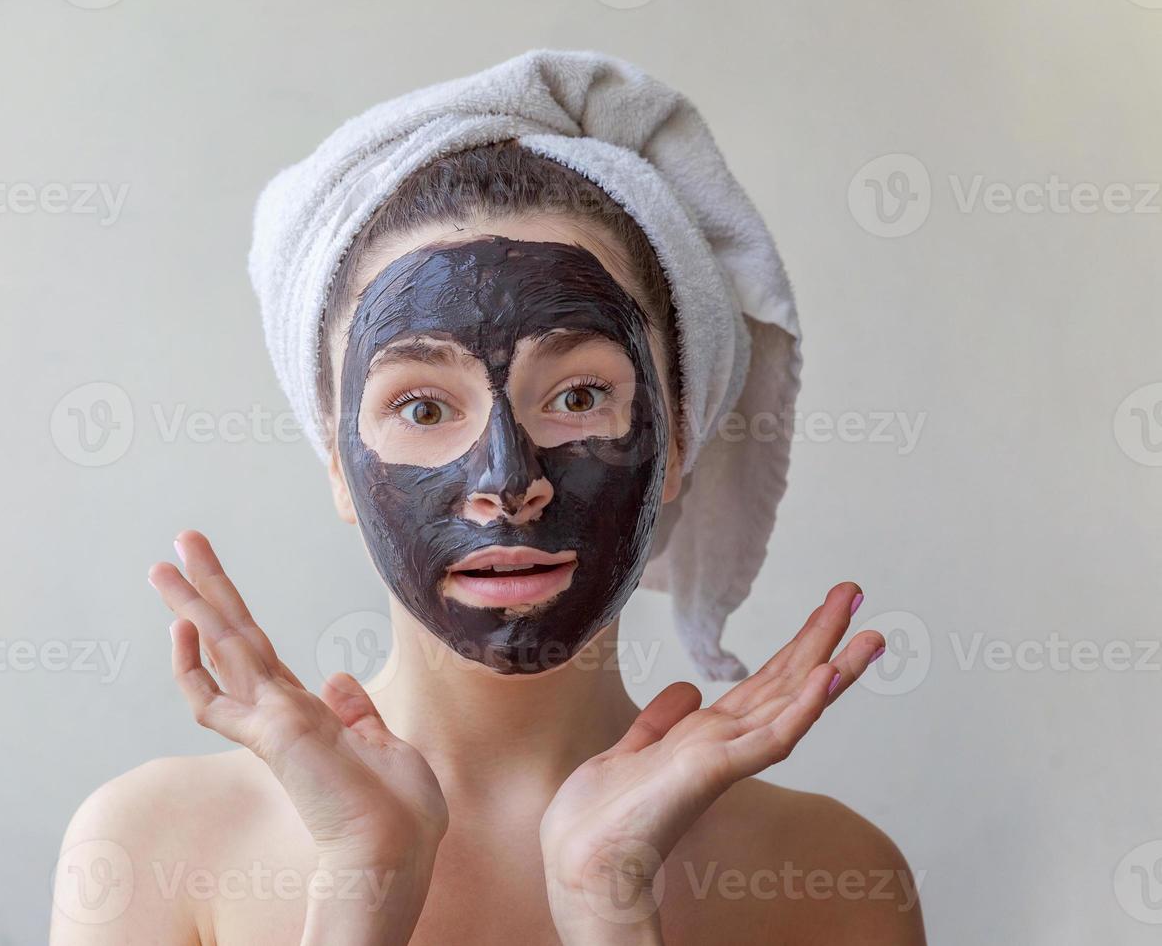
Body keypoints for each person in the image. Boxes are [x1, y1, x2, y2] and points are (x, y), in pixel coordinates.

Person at [51, 68, 925, 946]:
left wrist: (610, 906)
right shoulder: (152, 850)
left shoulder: (829, 878)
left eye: (580, 396)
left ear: (679, 442)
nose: (508, 481)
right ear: (337, 462)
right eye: (423, 408)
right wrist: (361, 891)